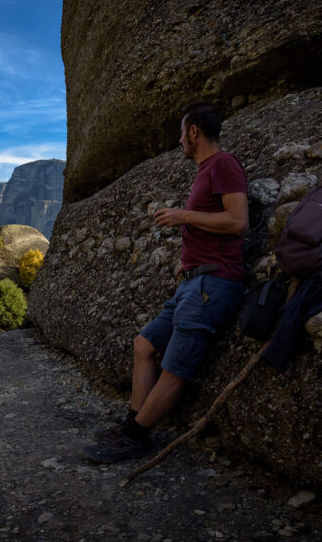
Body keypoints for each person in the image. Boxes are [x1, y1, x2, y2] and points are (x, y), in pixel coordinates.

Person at [83, 102, 248, 463]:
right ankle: (133, 422)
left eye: (181, 132)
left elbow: (238, 222)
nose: (178, 140)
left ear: (194, 132)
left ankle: (135, 437)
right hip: (195, 281)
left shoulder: (223, 164)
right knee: (144, 345)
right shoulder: (206, 170)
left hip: (213, 284)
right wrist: (188, 262)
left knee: (176, 368)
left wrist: (183, 216)